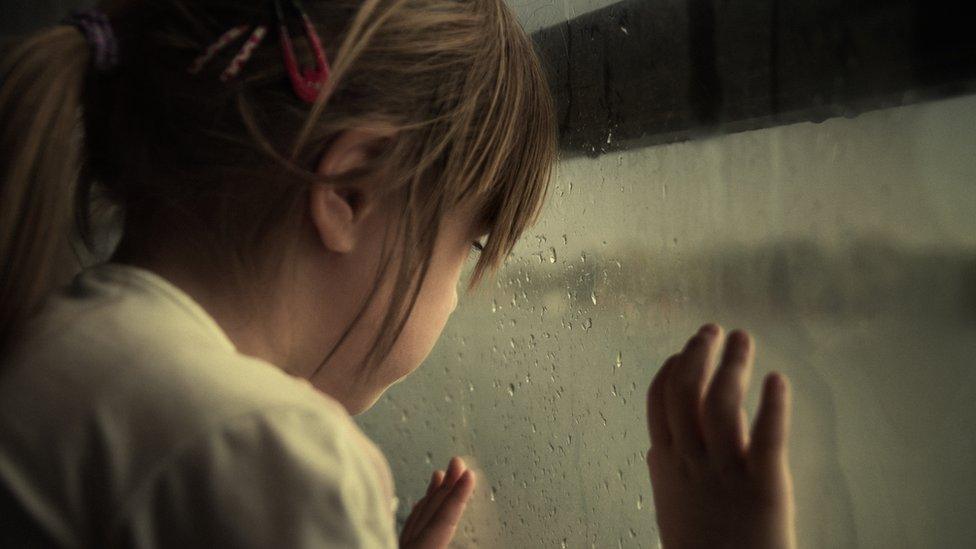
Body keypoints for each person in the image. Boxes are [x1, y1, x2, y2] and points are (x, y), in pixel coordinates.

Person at [0, 0, 797, 547]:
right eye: (467, 251)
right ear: (350, 191)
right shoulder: (264, 449)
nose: (455, 295)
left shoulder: (52, 343)